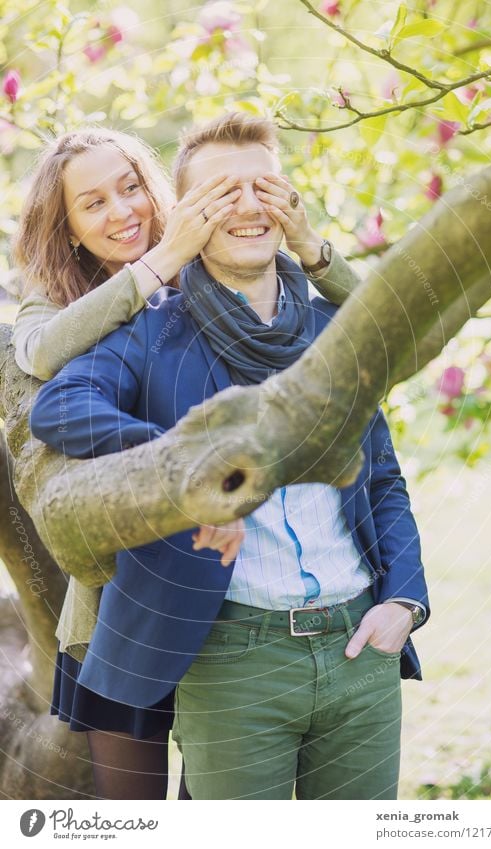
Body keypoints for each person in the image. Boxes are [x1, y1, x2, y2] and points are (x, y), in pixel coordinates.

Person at [29, 113, 429, 800]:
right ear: (189, 214)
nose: (246, 205)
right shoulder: (145, 327)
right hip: (191, 628)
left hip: (355, 644)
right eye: (221, 193)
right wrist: (191, 473)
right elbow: (54, 395)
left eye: (263, 187)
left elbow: (385, 455)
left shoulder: (332, 329)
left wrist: (405, 598)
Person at [12, 126, 247, 799]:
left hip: (228, 595)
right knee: (134, 820)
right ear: (70, 230)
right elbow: (40, 352)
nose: (123, 211)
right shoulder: (53, 299)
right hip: (114, 607)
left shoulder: (214, 277)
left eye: (132, 186)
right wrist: (159, 261)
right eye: (94, 203)